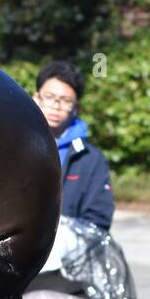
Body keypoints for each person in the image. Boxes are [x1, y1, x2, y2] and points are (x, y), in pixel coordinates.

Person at [31, 61, 114, 231]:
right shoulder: (12, 144)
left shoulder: (91, 159)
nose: (56, 105)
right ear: (35, 97)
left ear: (75, 107)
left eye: (65, 100)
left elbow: (99, 220)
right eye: (49, 97)